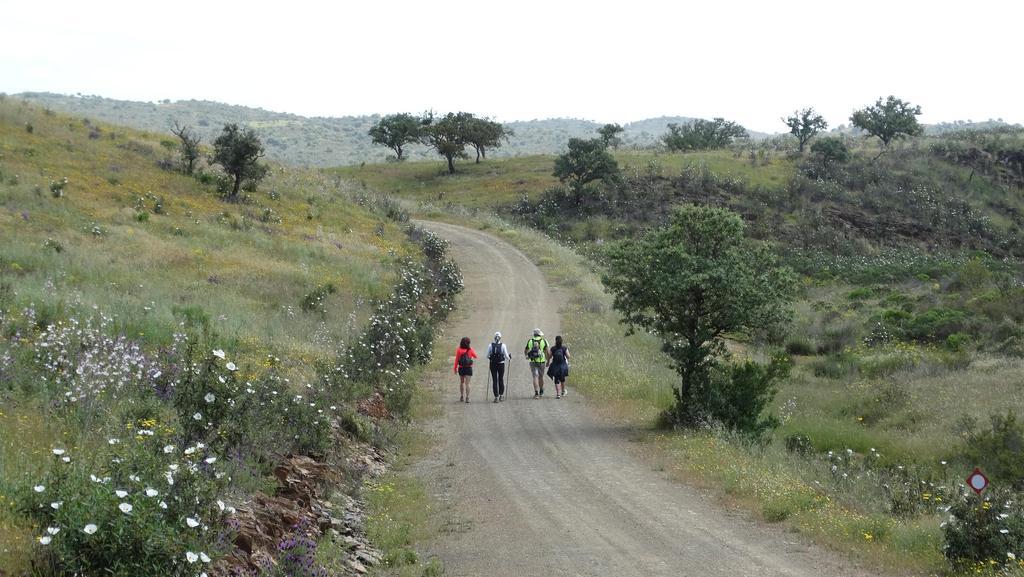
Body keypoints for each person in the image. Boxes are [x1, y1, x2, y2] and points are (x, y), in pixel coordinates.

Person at [524, 328, 549, 398]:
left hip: (532, 361)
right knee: (541, 377)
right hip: (541, 361)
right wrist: (548, 360)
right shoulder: (544, 341)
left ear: (534, 334)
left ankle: (536, 393)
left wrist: (527, 356)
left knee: (535, 376)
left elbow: (525, 350)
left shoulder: (530, 341)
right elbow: (547, 352)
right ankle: (541, 390)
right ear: (540, 334)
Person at [487, 332, 510, 402]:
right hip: (501, 364)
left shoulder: (490, 345)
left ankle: (496, 397)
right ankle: (501, 396)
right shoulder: (503, 345)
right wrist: (509, 358)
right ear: (500, 337)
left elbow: (487, 356)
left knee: (494, 380)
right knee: (500, 379)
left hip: (493, 364)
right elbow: (506, 356)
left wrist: (491, 358)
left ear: (494, 337)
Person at [453, 336, 477, 403]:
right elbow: (475, 356)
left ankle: (461, 396)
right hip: (468, 368)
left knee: (461, 382)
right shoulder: (470, 349)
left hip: (461, 368)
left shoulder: (459, 350)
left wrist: (455, 369)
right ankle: (467, 398)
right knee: (467, 384)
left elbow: (456, 360)